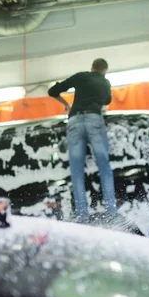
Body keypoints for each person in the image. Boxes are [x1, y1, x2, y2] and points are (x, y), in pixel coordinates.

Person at [48, 58, 116, 223]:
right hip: (94, 119)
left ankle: (82, 215)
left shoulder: (80, 77)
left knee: (77, 171)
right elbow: (107, 100)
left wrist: (67, 104)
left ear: (91, 67)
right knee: (104, 167)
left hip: (75, 121)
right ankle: (111, 212)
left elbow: (52, 91)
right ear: (104, 70)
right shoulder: (105, 82)